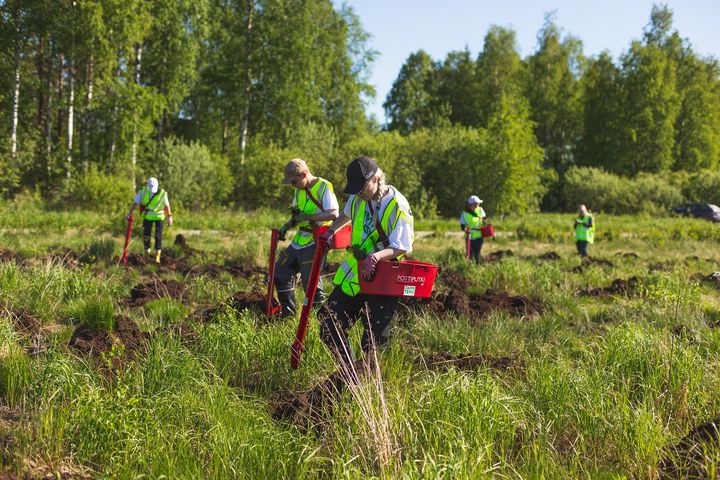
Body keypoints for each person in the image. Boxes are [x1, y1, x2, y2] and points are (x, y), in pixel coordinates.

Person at [317, 156, 414, 366]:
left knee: (373, 343)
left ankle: (369, 388)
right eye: (355, 189)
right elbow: (345, 214)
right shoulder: (357, 197)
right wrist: (330, 231)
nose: (358, 193)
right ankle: (349, 376)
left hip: (383, 280)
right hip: (355, 276)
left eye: (361, 188)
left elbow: (402, 245)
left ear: (376, 178)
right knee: (328, 322)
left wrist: (376, 257)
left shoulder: (397, 204)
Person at [274, 159, 339, 318]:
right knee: (280, 273)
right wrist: (286, 227)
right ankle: (288, 316)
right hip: (299, 240)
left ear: (304, 174)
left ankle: (321, 321)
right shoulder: (298, 190)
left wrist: (309, 216)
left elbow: (334, 213)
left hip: (316, 240)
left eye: (294, 181)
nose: (292, 185)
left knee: (311, 285)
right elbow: (297, 216)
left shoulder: (324, 186)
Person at [127, 177, 172, 264]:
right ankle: (146, 252)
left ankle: (157, 254)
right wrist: (130, 213)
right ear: (148, 186)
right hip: (148, 216)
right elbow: (135, 203)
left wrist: (170, 216)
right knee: (146, 235)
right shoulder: (143, 192)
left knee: (158, 236)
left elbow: (167, 205)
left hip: (159, 217)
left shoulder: (162, 193)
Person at [460, 195, 486, 264]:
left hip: (479, 236)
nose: (476, 206)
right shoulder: (464, 214)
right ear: (469, 205)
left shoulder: (480, 210)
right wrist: (465, 229)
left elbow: (484, 220)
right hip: (469, 237)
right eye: (475, 205)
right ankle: (469, 267)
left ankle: (477, 267)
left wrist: (485, 223)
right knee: (470, 254)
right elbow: (462, 226)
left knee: (477, 253)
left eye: (477, 204)